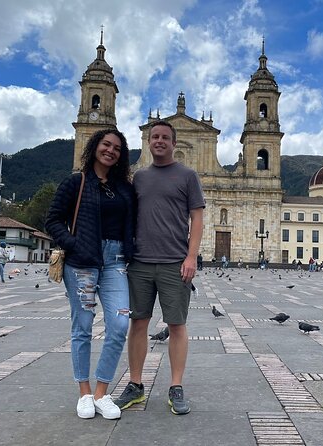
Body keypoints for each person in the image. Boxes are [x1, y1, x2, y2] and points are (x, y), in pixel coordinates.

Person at [45, 128, 136, 420]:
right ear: (95, 146)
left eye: (117, 148)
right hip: (82, 262)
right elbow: (53, 220)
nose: (110, 150)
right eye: (106, 145)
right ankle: (84, 391)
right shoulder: (76, 182)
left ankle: (101, 392)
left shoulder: (125, 188)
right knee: (82, 326)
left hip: (115, 261)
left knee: (120, 324)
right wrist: (74, 244)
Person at [115, 120, 205, 416]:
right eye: (154, 136)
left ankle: (176, 386)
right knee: (138, 323)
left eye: (165, 137)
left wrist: (191, 257)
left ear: (173, 143)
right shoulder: (138, 177)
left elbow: (198, 219)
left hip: (174, 263)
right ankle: (136, 384)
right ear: (148, 141)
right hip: (139, 262)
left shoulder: (188, 176)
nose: (160, 141)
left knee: (176, 325)